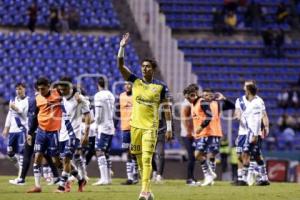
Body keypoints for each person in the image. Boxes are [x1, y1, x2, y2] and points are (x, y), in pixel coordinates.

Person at [117, 33, 172, 200]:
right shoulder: (135, 82)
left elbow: (166, 107)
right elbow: (120, 66)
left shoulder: (160, 87)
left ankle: (144, 191)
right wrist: (122, 47)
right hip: (135, 126)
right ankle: (148, 190)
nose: (144, 68)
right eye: (143, 66)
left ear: (153, 69)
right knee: (140, 160)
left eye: (148, 66)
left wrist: (169, 127)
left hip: (151, 127)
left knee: (148, 157)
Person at [186, 87, 234, 186]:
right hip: (201, 133)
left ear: (213, 96)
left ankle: (210, 177)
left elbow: (232, 106)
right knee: (201, 155)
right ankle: (209, 176)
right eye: (205, 95)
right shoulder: (199, 103)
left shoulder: (217, 103)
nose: (207, 97)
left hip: (214, 132)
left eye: (210, 95)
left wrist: (224, 98)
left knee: (211, 155)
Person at [55, 77, 91, 192]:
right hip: (62, 134)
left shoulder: (79, 98)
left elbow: (88, 116)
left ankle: (61, 186)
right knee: (65, 162)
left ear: (69, 87)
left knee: (66, 159)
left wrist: (86, 135)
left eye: (64, 89)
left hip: (74, 134)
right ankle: (81, 179)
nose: (62, 91)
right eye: (60, 89)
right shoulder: (63, 96)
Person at [27, 77, 62, 193]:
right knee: (37, 157)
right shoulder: (37, 99)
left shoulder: (57, 93)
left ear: (49, 86)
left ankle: (69, 178)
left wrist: (77, 93)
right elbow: (34, 118)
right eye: (39, 89)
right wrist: (30, 133)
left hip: (54, 132)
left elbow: (71, 89)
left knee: (56, 160)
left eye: (43, 88)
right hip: (41, 132)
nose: (41, 91)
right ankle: (37, 186)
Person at [234, 80, 270, 186]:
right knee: (241, 155)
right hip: (242, 132)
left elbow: (264, 115)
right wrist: (238, 116)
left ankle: (248, 177)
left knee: (254, 154)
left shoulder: (259, 101)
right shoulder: (239, 100)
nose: (246, 87)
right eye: (246, 85)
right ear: (244, 87)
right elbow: (237, 112)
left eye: (249, 85)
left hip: (254, 131)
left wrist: (266, 126)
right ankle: (245, 176)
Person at [2, 83, 29, 183]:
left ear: (24, 89)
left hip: (21, 129)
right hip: (12, 130)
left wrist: (15, 108)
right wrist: (6, 128)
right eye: (17, 89)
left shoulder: (28, 101)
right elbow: (10, 114)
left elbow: (24, 114)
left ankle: (21, 178)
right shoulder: (13, 100)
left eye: (20, 89)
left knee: (22, 154)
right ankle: (21, 171)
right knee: (10, 153)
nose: (18, 91)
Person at [92, 77, 115, 185]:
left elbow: (99, 114)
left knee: (99, 151)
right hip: (110, 126)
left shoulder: (98, 95)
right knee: (105, 152)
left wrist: (95, 125)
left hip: (103, 127)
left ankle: (104, 179)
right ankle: (108, 178)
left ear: (98, 84)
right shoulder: (111, 95)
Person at [119, 82, 138, 185]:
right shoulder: (121, 96)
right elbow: (118, 111)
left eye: (129, 84)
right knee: (127, 152)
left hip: (135, 128)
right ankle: (130, 177)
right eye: (125, 84)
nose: (127, 86)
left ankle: (135, 175)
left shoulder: (136, 96)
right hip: (125, 128)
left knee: (134, 151)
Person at [181, 84, 197, 185]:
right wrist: (188, 131)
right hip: (187, 134)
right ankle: (189, 178)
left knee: (193, 157)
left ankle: (191, 177)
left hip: (193, 133)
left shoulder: (192, 103)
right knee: (191, 156)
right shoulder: (187, 103)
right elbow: (184, 118)